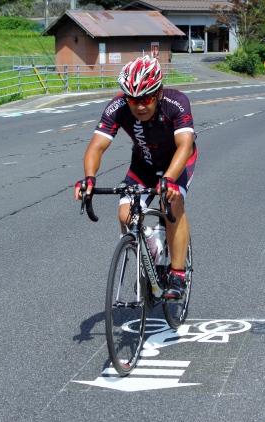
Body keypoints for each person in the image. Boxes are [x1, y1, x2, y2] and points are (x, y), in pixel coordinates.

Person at [74, 56, 197, 300]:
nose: (139, 106)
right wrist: (89, 178)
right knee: (124, 215)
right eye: (132, 99)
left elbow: (184, 145)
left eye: (146, 99)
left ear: (159, 92)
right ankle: (149, 251)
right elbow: (96, 147)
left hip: (177, 163)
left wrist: (170, 178)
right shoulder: (117, 107)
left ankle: (177, 273)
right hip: (143, 166)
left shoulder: (177, 102)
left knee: (171, 202)